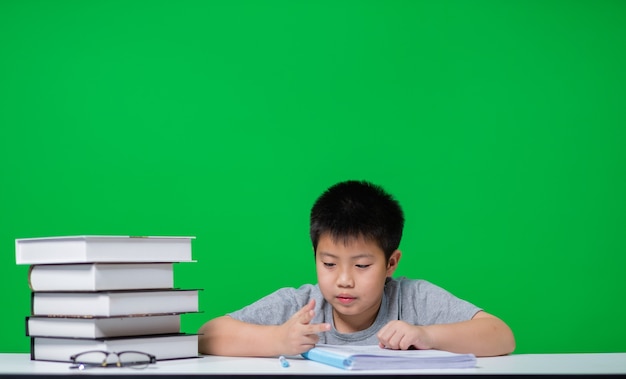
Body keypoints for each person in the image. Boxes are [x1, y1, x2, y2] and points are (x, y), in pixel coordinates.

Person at [198, 180, 515, 357]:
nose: (344, 280)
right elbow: (207, 335)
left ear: (391, 263)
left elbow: (502, 336)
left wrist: (426, 334)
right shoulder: (302, 307)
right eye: (329, 264)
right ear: (315, 256)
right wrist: (279, 341)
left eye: (362, 265)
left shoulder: (413, 300)